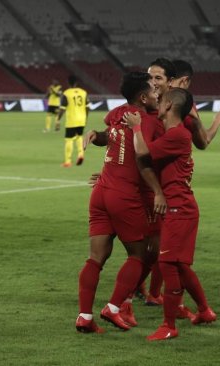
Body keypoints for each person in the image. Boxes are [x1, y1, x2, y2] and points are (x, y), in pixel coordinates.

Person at [123, 88, 219, 341]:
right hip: (181, 207)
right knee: (180, 266)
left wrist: (135, 126)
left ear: (167, 107)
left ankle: (169, 326)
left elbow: (142, 153)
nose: (158, 103)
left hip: (180, 209)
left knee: (167, 265)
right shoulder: (176, 134)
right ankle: (205, 311)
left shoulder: (176, 135)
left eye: (162, 101)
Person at [75, 72, 165, 334]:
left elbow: (111, 136)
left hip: (100, 193)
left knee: (95, 258)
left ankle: (84, 317)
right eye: (152, 90)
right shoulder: (149, 123)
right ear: (142, 96)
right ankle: (113, 308)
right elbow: (143, 154)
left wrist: (96, 135)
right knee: (139, 255)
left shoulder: (116, 112)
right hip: (124, 195)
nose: (156, 93)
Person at [56, 76, 89, 167]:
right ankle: (81, 154)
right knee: (79, 137)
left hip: (71, 120)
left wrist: (58, 120)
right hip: (82, 119)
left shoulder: (67, 93)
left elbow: (62, 109)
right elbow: (88, 107)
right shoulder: (83, 92)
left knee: (69, 140)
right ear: (76, 83)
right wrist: (86, 118)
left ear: (68, 83)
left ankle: (67, 161)